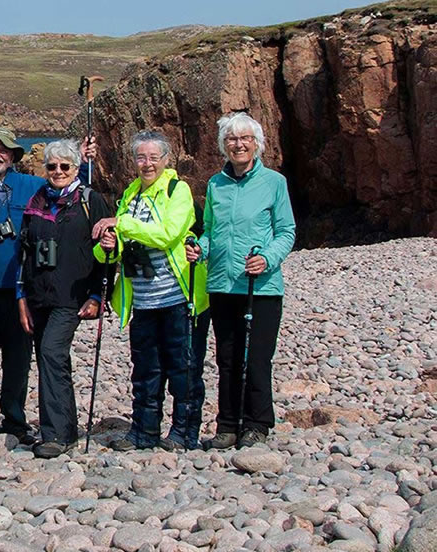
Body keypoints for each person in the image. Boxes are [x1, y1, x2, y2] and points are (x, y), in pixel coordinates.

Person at [0, 126, 95, 449]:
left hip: (24, 293)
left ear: (13, 157)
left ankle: (14, 420)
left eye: (3, 150)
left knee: (18, 362)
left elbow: (72, 188)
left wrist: (86, 161)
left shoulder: (33, 187)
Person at [92, 131, 209, 451]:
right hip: (142, 301)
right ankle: (143, 432)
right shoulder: (130, 194)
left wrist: (121, 224)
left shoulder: (177, 191)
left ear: (166, 160)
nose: (147, 164)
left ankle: (184, 432)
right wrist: (107, 247)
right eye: (141, 158)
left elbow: (167, 234)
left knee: (183, 369)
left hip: (176, 297)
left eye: (153, 158)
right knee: (145, 371)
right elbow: (113, 253)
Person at [187, 112, 295, 449]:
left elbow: (287, 231)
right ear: (224, 146)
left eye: (245, 139)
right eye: (232, 139)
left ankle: (257, 423)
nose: (239, 144)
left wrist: (267, 258)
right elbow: (210, 232)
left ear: (257, 144)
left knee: (257, 356)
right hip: (221, 284)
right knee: (227, 357)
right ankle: (228, 423)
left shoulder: (274, 183)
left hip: (260, 286)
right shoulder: (216, 184)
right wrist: (199, 250)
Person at [16, 139, 110, 459]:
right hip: (39, 294)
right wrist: (21, 297)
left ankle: (54, 434)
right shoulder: (37, 200)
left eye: (65, 166)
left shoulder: (90, 201)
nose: (58, 172)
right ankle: (65, 429)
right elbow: (24, 252)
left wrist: (98, 295)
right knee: (51, 360)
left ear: (76, 168)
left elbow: (106, 253)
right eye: (52, 166)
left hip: (72, 296)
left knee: (51, 352)